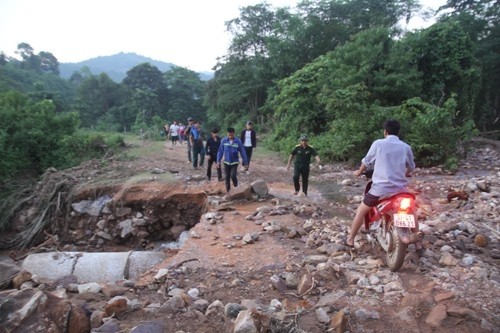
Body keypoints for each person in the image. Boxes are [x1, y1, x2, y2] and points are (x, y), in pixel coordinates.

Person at [344, 119, 416, 248]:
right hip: (401, 190)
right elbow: (411, 166)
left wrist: (359, 171)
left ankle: (350, 239)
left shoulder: (378, 144)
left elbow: (367, 161)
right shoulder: (406, 147)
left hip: (380, 189)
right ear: (398, 132)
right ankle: (418, 243)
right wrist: (405, 173)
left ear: (385, 132)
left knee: (361, 211)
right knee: (411, 211)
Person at [216, 127, 248, 193]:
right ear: (227, 134)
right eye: (229, 135)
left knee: (233, 175)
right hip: (226, 162)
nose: (230, 136)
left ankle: (236, 188)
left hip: (234, 162)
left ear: (234, 134)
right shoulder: (224, 141)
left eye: (232, 135)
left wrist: (245, 162)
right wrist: (218, 161)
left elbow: (242, 152)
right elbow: (220, 151)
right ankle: (228, 192)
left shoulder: (238, 141)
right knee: (227, 177)